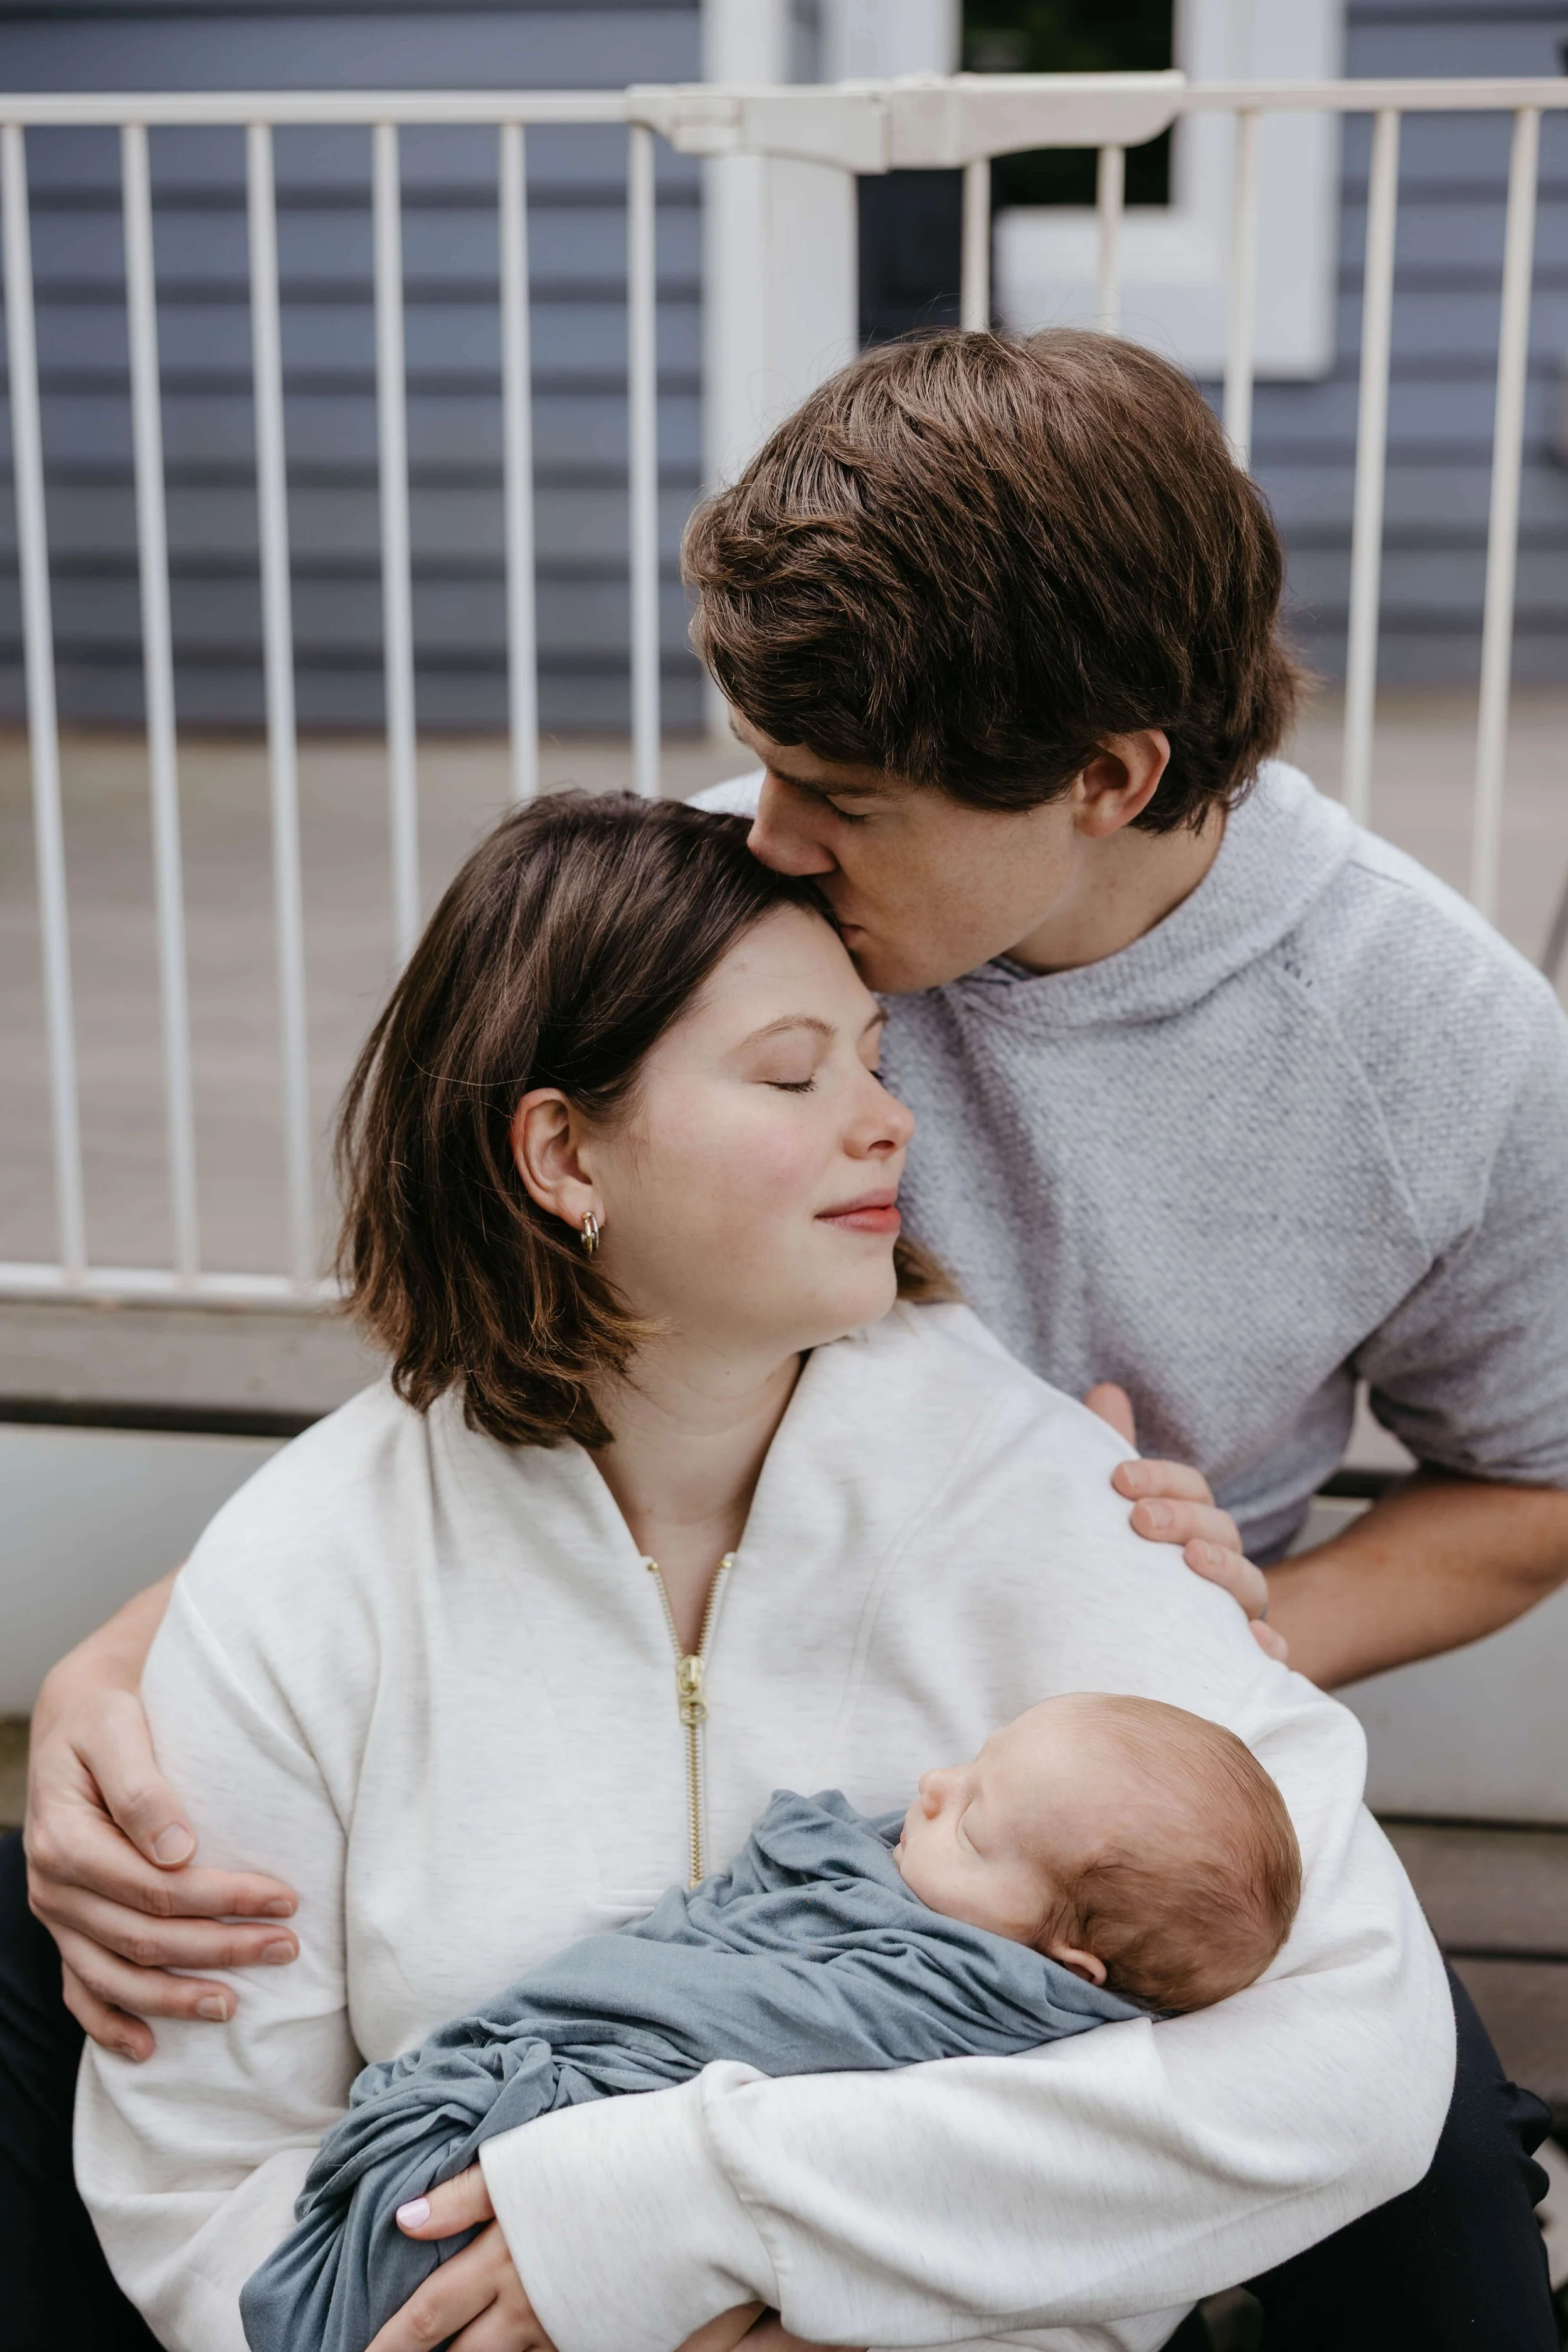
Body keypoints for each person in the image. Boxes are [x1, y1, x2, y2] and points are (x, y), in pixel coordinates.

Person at [7, 328, 1560, 2346]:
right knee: (106, 1950)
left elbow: (1537, 1477)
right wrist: (159, 1648)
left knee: (1420, 2220)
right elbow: (546, 1335)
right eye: (767, 768)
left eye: (835, 799)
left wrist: (1211, 1641)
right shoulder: (765, 899)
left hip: (1088, 1737)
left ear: (1107, 779)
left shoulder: (1437, 1047)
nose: (769, 833)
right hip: (672, 1676)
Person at [69, 792, 1448, 2352]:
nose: (884, 1119)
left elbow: (1353, 2067)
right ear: (559, 1154)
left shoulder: (1056, 1502)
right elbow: (199, 2178)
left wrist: (697, 2219)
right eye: (794, 1073)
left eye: (874, 1055)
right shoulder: (302, 1573)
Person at [240, 1694, 1302, 2352]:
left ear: (1064, 1963)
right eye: (972, 1763)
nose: (930, 1786)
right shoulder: (954, 1891)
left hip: (606, 2153)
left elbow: (766, 2018)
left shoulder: (960, 1998)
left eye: (971, 1821)